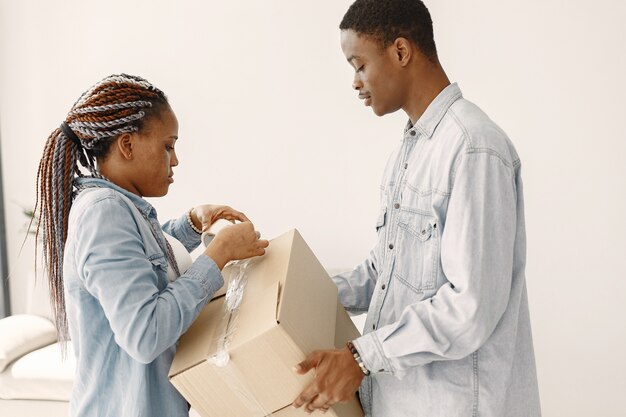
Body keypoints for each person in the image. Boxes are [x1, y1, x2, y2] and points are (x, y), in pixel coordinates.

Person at [292, 1, 541, 416]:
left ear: (401, 52)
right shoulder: (406, 155)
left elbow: (471, 306)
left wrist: (360, 357)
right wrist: (299, 297)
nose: (355, 82)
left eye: (358, 65)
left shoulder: (474, 147)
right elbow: (383, 271)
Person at [34, 73, 269, 417]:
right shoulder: (105, 214)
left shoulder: (117, 209)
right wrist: (219, 255)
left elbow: (142, 257)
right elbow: (146, 333)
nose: (175, 161)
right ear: (127, 145)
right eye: (168, 146)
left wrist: (190, 224)